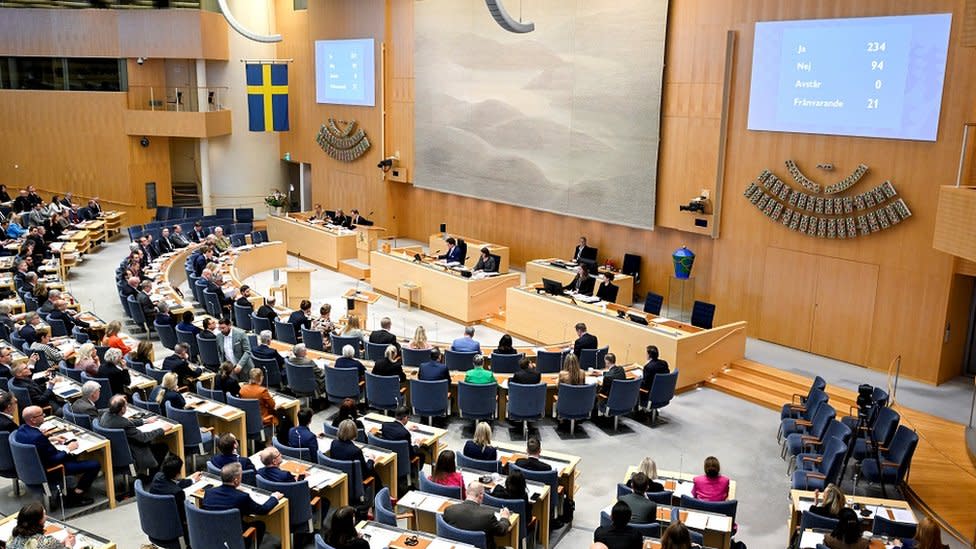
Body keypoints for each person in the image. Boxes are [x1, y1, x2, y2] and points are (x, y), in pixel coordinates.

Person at [15, 405, 100, 505]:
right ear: (33, 420)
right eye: (41, 414)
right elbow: (53, 460)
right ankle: (75, 496)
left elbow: (34, 443)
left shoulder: (21, 430)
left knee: (74, 455)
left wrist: (50, 438)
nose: (44, 415)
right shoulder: (37, 438)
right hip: (53, 469)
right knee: (94, 465)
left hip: (32, 467)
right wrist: (69, 448)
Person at [202, 462, 282, 546]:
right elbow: (263, 510)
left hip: (211, 533)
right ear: (236, 480)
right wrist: (274, 497)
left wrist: (236, 489)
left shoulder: (209, 492)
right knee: (260, 525)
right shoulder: (242, 497)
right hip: (233, 536)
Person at [98, 395, 167, 474]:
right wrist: (162, 429)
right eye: (126, 405)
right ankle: (150, 477)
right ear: (123, 409)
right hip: (131, 452)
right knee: (162, 447)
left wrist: (145, 421)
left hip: (115, 452)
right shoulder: (124, 423)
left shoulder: (105, 415)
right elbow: (143, 438)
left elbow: (126, 422)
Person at [149, 454, 202, 546]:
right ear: (177, 473)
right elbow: (185, 518)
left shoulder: (158, 477)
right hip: (173, 529)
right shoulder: (177, 493)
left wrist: (192, 480)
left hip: (155, 523)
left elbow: (173, 484)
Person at [443, 482, 512, 549]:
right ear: (481, 496)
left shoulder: (449, 510)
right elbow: (501, 531)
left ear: (466, 492)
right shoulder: (488, 516)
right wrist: (504, 518)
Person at [331, 419, 380, 490]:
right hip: (355, 484)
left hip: (340, 480)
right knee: (374, 472)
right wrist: (371, 460)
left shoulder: (334, 443)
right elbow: (366, 471)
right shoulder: (356, 451)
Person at [7, 502, 77, 549]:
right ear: (39, 521)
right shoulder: (47, 542)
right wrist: (68, 545)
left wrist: (60, 544)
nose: (46, 516)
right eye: (44, 514)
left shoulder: (11, 538)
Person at [381, 405, 425, 472]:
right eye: (408, 417)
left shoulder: (385, 425)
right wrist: (417, 445)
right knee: (422, 454)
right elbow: (411, 454)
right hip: (402, 460)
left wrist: (406, 428)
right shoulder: (405, 434)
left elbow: (395, 432)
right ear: (405, 418)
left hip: (389, 456)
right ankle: (413, 474)